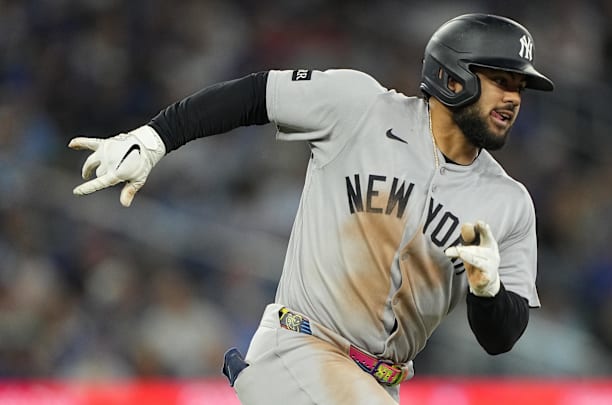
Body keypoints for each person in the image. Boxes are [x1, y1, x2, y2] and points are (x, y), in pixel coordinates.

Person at [68, 13, 553, 405]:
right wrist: (155, 138)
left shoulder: (508, 202)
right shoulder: (360, 106)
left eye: (520, 86)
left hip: (381, 384)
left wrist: (487, 290)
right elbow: (254, 95)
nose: (513, 96)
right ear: (452, 76)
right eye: (500, 79)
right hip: (302, 348)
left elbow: (501, 337)